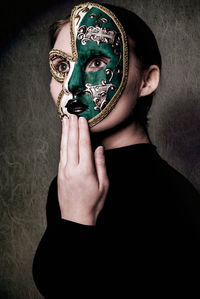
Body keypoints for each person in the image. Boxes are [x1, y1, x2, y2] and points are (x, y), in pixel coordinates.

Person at [32, 2, 200, 297]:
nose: (72, 84)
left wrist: (77, 219)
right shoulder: (69, 182)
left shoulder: (176, 200)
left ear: (146, 81)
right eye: (62, 66)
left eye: (96, 62)